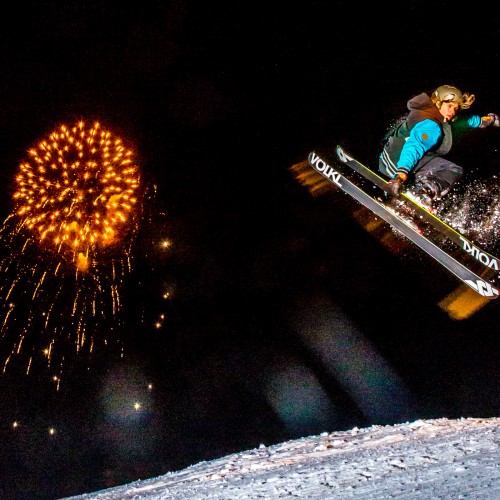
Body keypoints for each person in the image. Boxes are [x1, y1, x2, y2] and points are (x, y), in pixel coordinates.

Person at [379, 84, 500, 212]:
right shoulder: (432, 125)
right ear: (439, 103)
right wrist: (400, 176)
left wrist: (488, 120)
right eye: (449, 106)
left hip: (389, 156)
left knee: (440, 163)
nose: (452, 111)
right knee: (453, 170)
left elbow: (466, 120)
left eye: (456, 108)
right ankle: (421, 194)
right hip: (396, 166)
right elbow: (414, 147)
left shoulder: (431, 112)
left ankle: (416, 191)